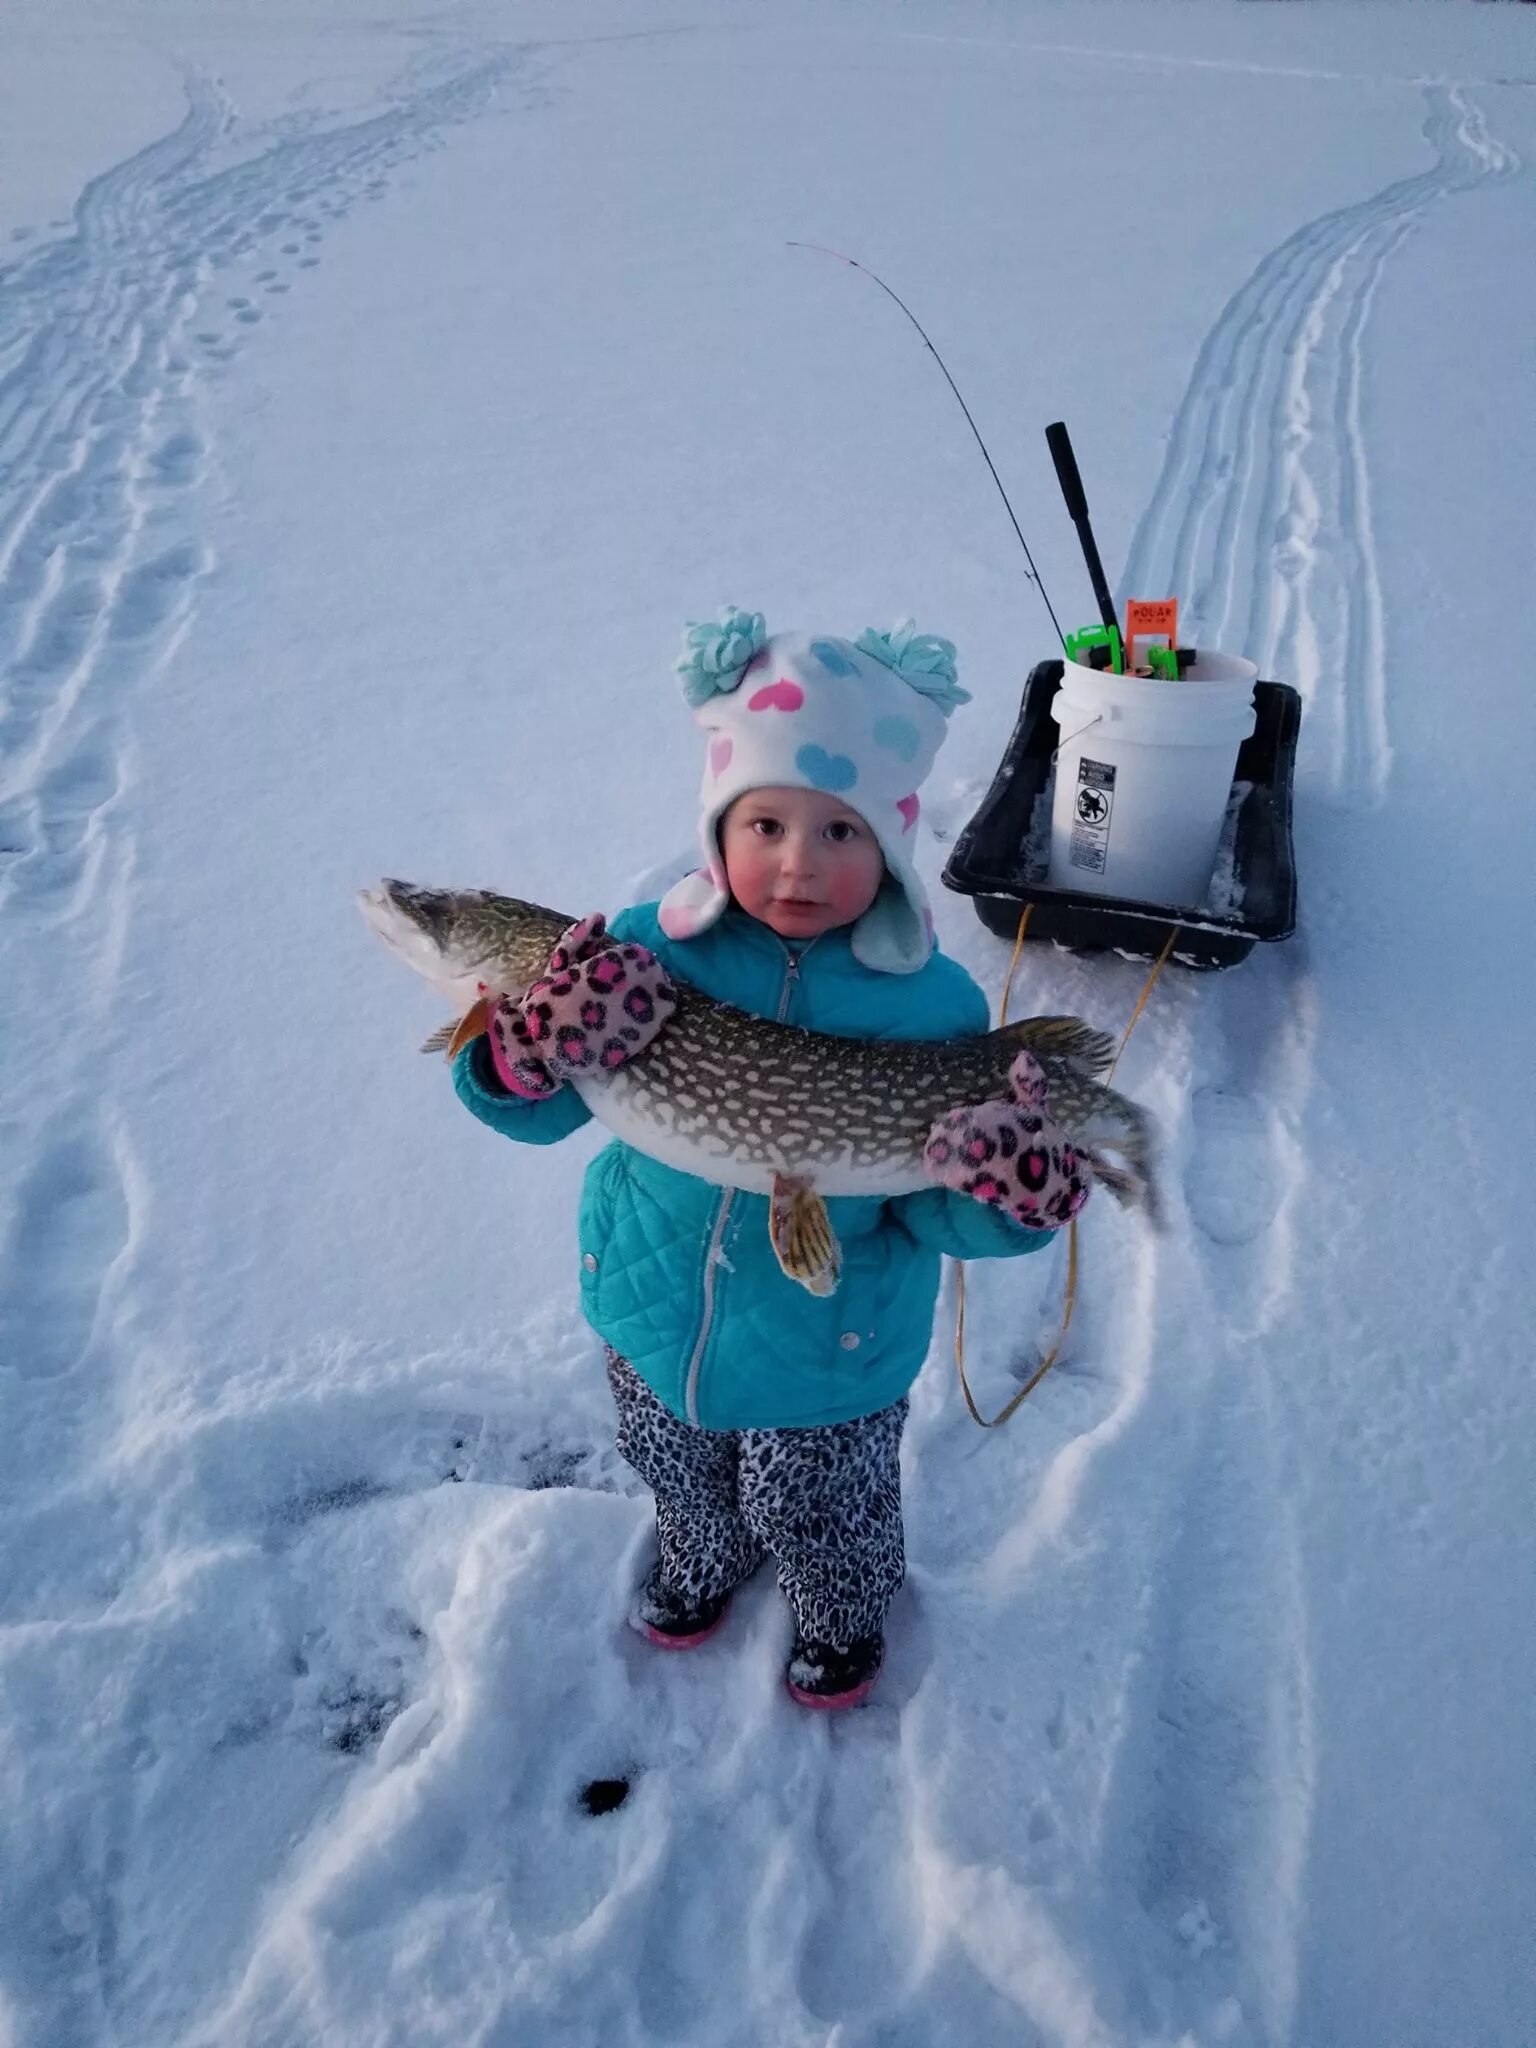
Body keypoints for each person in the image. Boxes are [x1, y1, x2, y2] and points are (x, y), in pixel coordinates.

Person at [452, 610, 1090, 1709]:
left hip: (834, 1348)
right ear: (720, 827)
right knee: (678, 1468)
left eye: (841, 833)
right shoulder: (640, 956)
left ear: (888, 847)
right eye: (767, 824)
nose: (799, 862)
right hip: (654, 1310)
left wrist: (1012, 1200)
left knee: (823, 1501)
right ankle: (703, 1548)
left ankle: (842, 1608)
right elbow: (542, 1113)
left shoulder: (932, 1008)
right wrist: (518, 1055)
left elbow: (934, 1205)